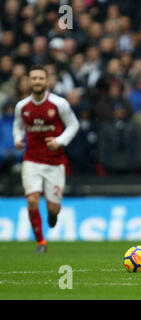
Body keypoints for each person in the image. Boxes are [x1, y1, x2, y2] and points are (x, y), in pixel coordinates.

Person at [13, 65, 79, 253]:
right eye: (34, 78)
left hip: (55, 162)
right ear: (28, 81)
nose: (37, 82)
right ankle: (41, 243)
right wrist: (17, 139)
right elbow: (18, 126)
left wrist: (59, 141)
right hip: (31, 159)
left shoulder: (59, 104)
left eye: (41, 78)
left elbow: (73, 125)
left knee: (53, 209)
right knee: (32, 200)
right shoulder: (22, 106)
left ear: (47, 81)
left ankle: (52, 215)